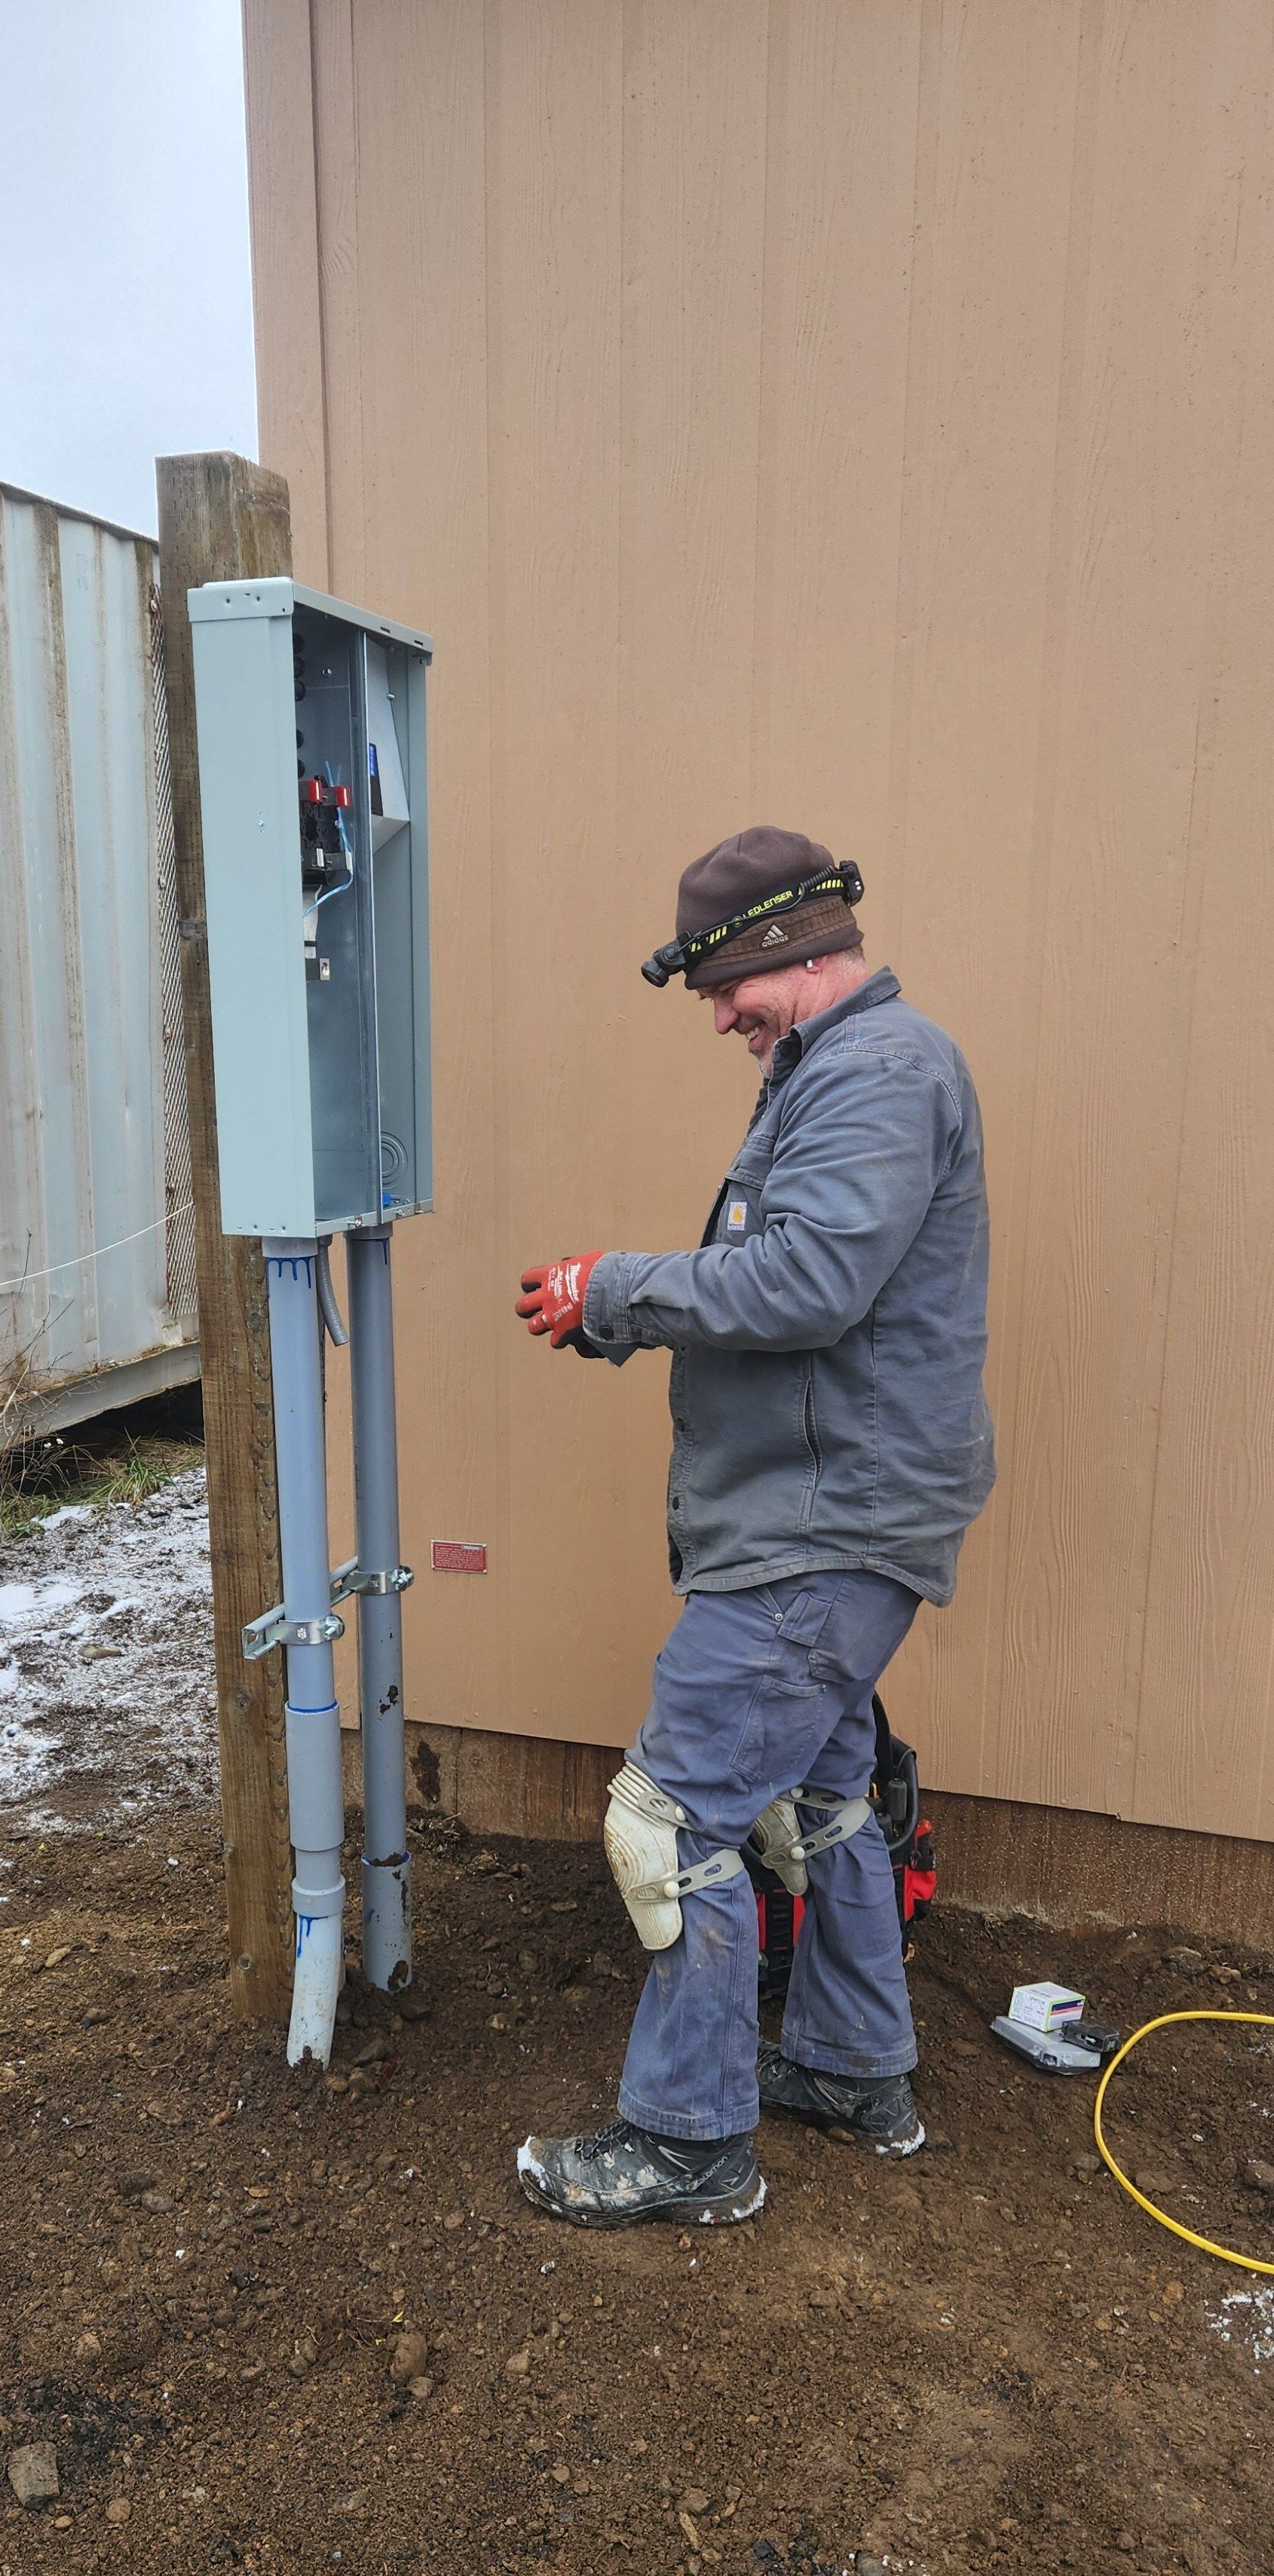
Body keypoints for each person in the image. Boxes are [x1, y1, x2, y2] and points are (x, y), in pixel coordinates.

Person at [512, 827, 994, 2229]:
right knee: (827, 1806)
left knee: (669, 1822)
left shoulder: (879, 1075)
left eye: (729, 985)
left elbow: (808, 1283)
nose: (720, 1015)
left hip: (820, 1529)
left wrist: (616, 1285)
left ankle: (687, 2144)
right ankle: (853, 2068)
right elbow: (782, 1284)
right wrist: (618, 1316)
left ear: (792, 952)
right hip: (832, 1513)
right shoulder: (835, 1071)